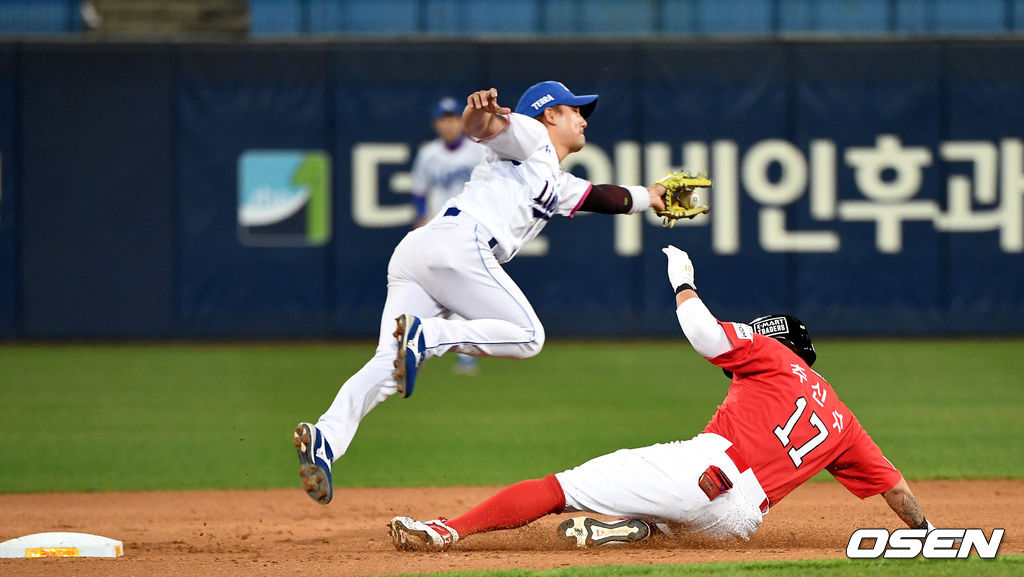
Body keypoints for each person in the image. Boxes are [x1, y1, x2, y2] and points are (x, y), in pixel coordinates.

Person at [386, 245, 935, 551]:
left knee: (560, 489)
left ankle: (444, 531)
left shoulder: (770, 355)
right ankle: (639, 528)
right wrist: (927, 534)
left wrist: (683, 281)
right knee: (671, 515)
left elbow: (705, 333)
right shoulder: (841, 417)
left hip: (706, 473)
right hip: (739, 523)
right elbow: (895, 488)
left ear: (779, 343)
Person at [294, 81, 670, 505]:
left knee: (388, 361)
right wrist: (478, 112)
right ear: (549, 114)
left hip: (418, 253)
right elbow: (484, 127)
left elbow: (601, 197)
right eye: (575, 110)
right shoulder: (530, 135)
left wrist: (649, 197)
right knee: (529, 337)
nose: (583, 119)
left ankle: (325, 438)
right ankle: (429, 336)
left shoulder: (551, 176)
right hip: (462, 243)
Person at [409, 96, 487, 376]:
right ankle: (428, 343)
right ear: (436, 124)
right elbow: (419, 192)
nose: (450, 124)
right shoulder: (429, 154)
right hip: (438, 228)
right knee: (443, 291)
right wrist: (420, 219)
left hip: (470, 228)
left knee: (460, 291)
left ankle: (427, 342)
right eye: (444, 119)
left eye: (454, 118)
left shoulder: (478, 151)